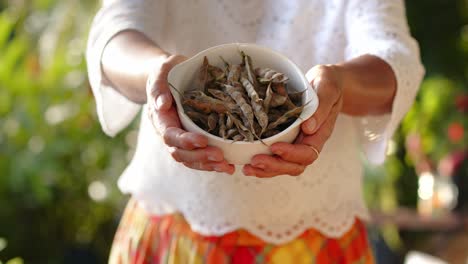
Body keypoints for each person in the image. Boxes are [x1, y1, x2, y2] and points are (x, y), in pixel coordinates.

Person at [86, 0, 424, 263]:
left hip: (317, 235)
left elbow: (397, 59)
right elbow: (114, 30)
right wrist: (155, 75)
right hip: (175, 225)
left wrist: (340, 84)